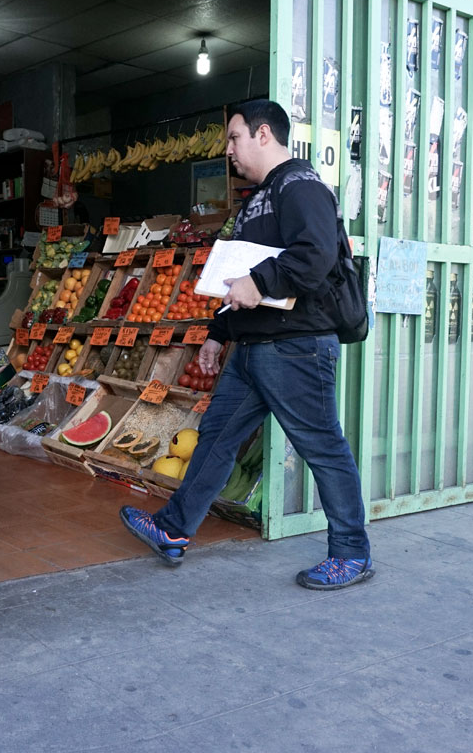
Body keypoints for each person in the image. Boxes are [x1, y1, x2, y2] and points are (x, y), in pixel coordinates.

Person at [119, 99, 373, 590]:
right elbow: (238, 274)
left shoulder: (301, 186)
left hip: (297, 347)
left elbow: (315, 256)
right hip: (255, 346)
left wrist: (259, 284)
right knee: (215, 439)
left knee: (322, 447)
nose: (228, 150)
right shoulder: (259, 197)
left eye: (234, 139)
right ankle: (173, 531)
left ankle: (352, 552)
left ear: (262, 134)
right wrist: (218, 334)